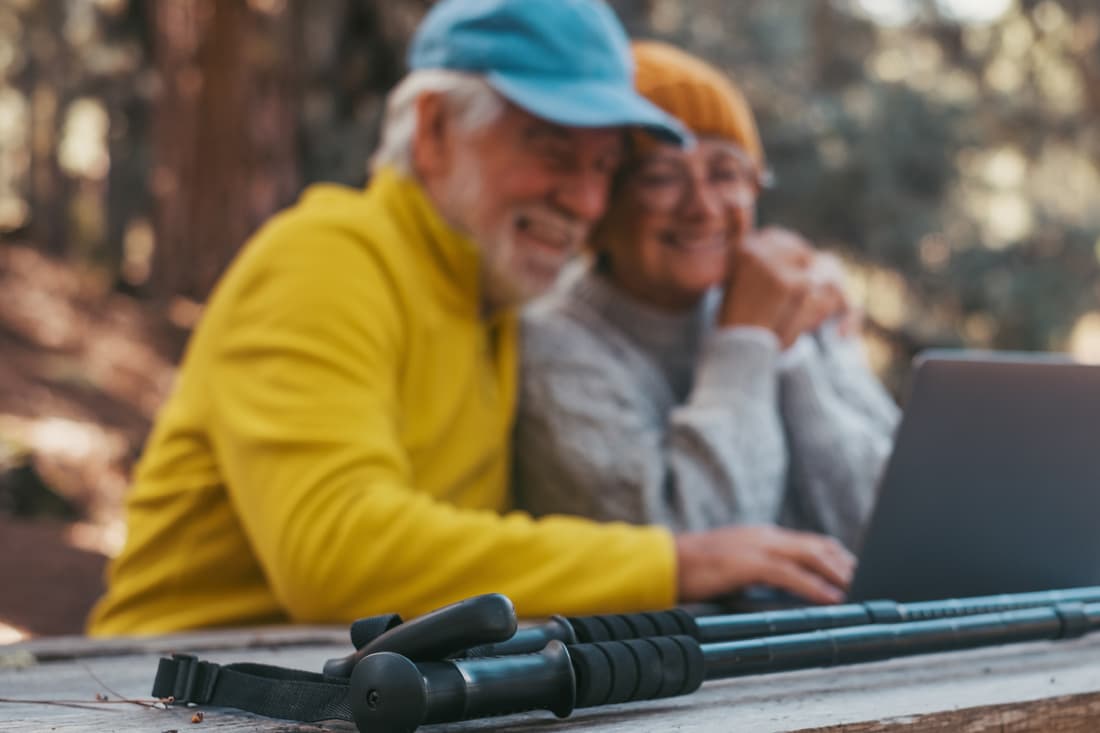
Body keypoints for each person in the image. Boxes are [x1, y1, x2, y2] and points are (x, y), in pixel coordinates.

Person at [88, 1, 854, 636]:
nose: (586, 203)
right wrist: (679, 562)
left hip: (356, 682)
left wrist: (790, 291)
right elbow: (338, 554)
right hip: (168, 687)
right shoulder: (322, 257)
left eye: (603, 167)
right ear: (433, 131)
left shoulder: (499, 303)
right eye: (552, 149)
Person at [516, 41, 899, 554]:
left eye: (725, 173)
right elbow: (690, 548)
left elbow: (890, 523)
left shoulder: (796, 296)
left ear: (756, 188)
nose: (701, 207)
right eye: (660, 178)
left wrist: (787, 352)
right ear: (600, 213)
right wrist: (745, 343)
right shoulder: (551, 346)